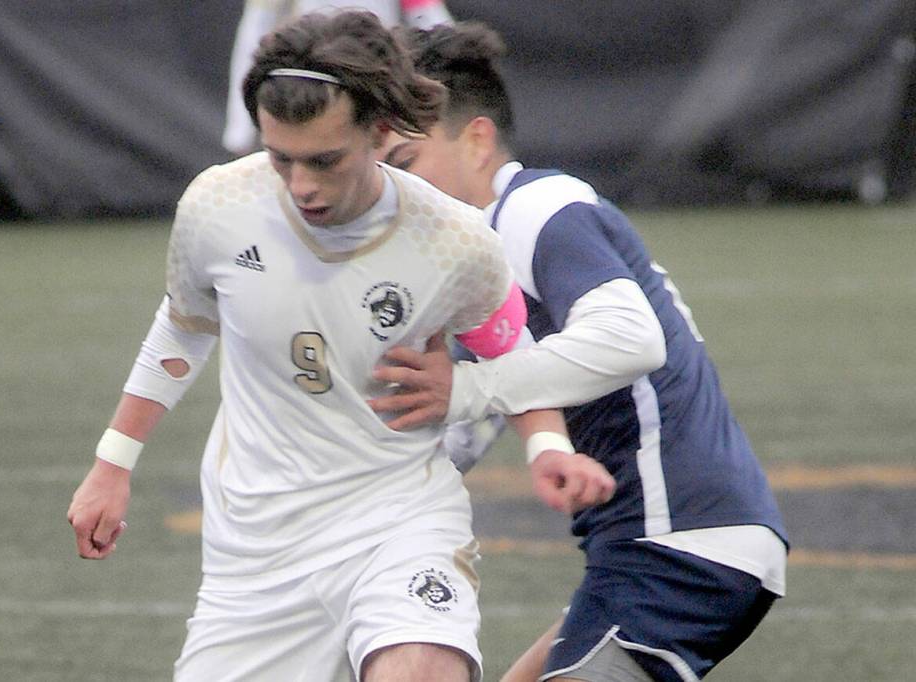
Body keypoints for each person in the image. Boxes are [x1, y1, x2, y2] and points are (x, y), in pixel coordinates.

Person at [67, 11, 614, 682]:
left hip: (398, 518)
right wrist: (113, 463)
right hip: (257, 548)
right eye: (281, 159)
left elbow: (508, 348)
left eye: (325, 160)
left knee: (420, 672)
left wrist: (547, 447)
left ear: (382, 133)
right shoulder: (216, 206)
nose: (301, 186)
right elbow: (184, 324)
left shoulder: (453, 239)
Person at [369, 22, 789, 682]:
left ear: (476, 140)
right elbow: (472, 425)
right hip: (650, 549)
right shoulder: (472, 264)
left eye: (404, 165)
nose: (392, 193)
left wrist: (465, 391)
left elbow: (631, 338)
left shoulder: (536, 206)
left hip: (677, 543)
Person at [223, 0, 453, 156]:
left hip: (375, 86)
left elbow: (429, 17)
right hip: (306, 89)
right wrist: (240, 130)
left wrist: (462, 69)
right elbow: (256, 28)